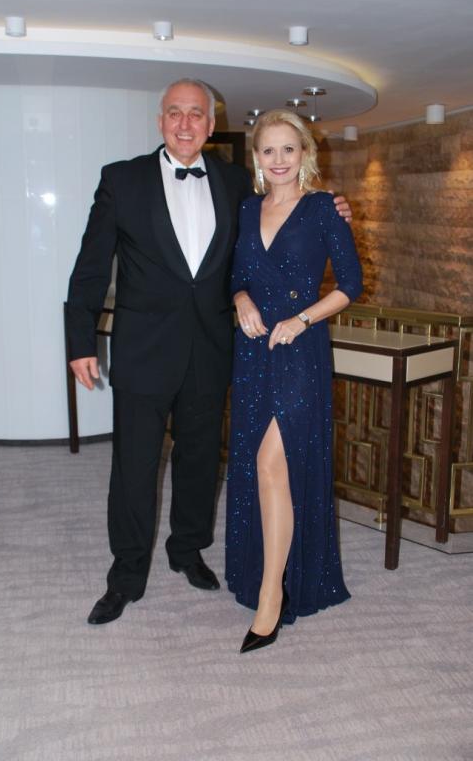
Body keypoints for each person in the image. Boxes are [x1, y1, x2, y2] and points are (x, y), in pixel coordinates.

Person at [67, 80, 352, 626]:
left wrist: (333, 205)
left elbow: (279, 223)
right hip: (144, 350)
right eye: (174, 113)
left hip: (213, 349)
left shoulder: (235, 182)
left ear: (210, 122)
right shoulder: (121, 179)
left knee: (199, 458)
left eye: (195, 114)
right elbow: (91, 265)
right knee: (134, 466)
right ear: (160, 120)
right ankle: (126, 573)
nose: (185, 123)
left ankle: (187, 549)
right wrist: (81, 341)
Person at [226, 108, 363, 653]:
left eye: (289, 148)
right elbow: (237, 274)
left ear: (304, 153)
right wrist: (240, 298)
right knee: (263, 471)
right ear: (256, 157)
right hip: (254, 352)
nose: (279, 159)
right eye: (269, 150)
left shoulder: (323, 208)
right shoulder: (246, 208)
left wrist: (303, 318)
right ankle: (271, 577)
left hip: (300, 351)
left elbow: (350, 284)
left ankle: (270, 598)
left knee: (271, 462)